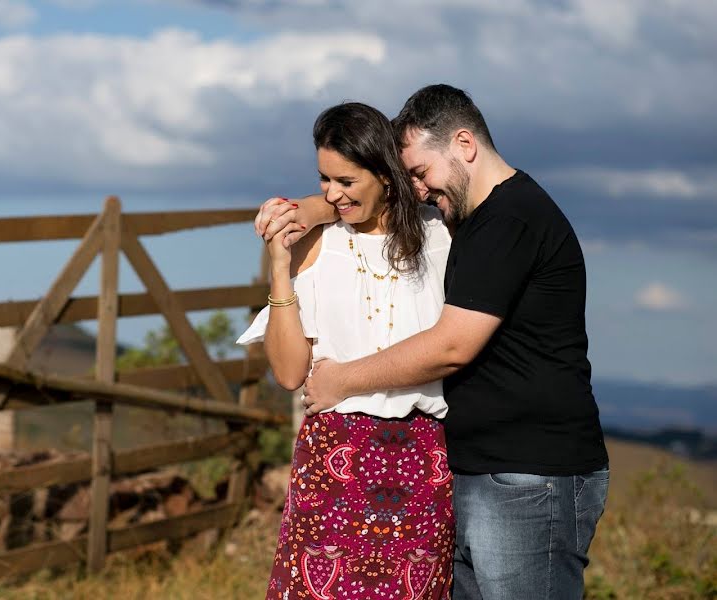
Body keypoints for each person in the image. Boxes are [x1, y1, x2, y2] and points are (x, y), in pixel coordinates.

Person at [256, 84, 610, 600]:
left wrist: (341, 379)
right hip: (425, 463)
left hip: (488, 467)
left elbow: (451, 346)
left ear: (463, 144)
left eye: (419, 173)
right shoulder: (465, 218)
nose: (420, 188)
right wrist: (303, 223)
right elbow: (289, 372)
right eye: (323, 180)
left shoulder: (477, 227)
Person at [237, 101, 455, 599]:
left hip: (422, 458)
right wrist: (278, 266)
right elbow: (290, 374)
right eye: (324, 180)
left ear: (384, 173)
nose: (332, 194)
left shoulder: (441, 239)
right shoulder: (318, 244)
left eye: (346, 181)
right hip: (334, 455)